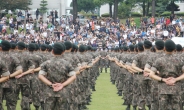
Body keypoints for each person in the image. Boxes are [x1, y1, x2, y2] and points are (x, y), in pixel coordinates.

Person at [38, 43, 76, 110]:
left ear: (52, 51)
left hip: (50, 91)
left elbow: (40, 76)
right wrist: (62, 85)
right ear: (63, 52)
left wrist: (51, 84)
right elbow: (73, 76)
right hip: (63, 92)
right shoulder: (67, 64)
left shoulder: (46, 63)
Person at [149, 40, 184, 110]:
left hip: (163, 88)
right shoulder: (180, 60)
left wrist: (163, 79)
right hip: (176, 88)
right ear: (174, 49)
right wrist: (175, 79)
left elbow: (151, 74)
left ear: (164, 48)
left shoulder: (159, 60)